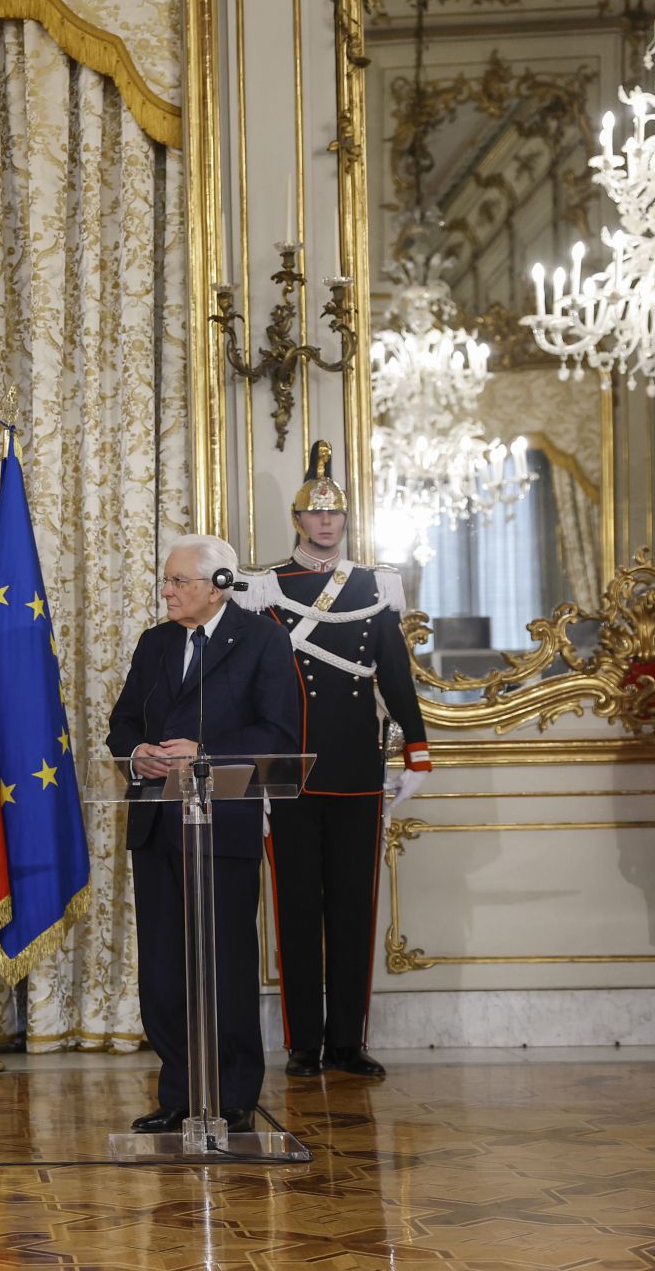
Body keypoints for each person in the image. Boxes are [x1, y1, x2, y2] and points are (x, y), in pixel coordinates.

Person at [106, 533, 301, 1134]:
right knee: (164, 968)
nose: (166, 591)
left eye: (177, 582)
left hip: (223, 827)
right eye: (165, 581)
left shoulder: (263, 640)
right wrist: (137, 752)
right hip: (159, 824)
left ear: (218, 587)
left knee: (225, 964)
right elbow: (123, 723)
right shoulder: (155, 643)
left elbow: (281, 736)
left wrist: (206, 753)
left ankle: (234, 1094)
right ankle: (179, 1093)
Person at [259, 440, 429, 1080]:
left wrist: (416, 752)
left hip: (358, 769)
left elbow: (395, 676)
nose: (326, 523)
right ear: (299, 520)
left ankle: (348, 1043)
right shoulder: (267, 588)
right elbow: (258, 685)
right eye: (315, 513)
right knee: (297, 907)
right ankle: (304, 1043)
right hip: (292, 773)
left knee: (354, 908)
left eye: (335, 515)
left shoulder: (374, 586)